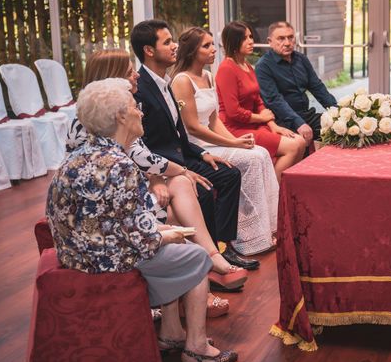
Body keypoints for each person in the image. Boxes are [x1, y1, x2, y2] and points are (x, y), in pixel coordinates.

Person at [47, 78, 238, 362]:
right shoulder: (121, 165)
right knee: (196, 256)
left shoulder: (76, 157)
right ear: (121, 116)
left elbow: (114, 221)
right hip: (104, 261)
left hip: (76, 254)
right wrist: (170, 235)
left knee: (180, 243)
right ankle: (196, 348)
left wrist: (165, 232)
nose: (141, 112)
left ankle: (172, 334)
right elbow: (142, 240)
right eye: (135, 107)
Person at [66, 49, 246, 311]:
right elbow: (136, 159)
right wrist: (177, 171)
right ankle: (196, 283)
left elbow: (140, 155)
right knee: (174, 208)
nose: (136, 74)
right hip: (107, 203)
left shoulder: (122, 110)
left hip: (131, 185)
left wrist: (158, 177)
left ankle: (206, 265)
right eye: (129, 71)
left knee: (181, 189)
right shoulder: (96, 119)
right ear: (111, 78)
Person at [131, 20, 260, 271]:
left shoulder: (164, 82)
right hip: (164, 164)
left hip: (182, 155)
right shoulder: (140, 89)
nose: (174, 46)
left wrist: (202, 154)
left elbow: (179, 134)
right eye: (167, 42)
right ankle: (209, 259)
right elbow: (140, 143)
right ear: (149, 50)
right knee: (203, 191)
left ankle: (224, 245)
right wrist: (158, 176)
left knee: (229, 173)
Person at [171, 27, 279, 255]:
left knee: (259, 153)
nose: (213, 50)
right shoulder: (182, 80)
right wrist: (232, 144)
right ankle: (245, 235)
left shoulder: (208, 75)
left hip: (213, 139)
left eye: (212, 44)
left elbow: (213, 119)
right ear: (191, 51)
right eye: (206, 46)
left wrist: (236, 141)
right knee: (250, 160)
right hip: (196, 146)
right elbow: (193, 127)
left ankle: (267, 228)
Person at [215, 21, 305, 183]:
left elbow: (258, 100)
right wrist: (262, 119)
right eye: (244, 38)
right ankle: (272, 197)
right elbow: (233, 112)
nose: (251, 41)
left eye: (250, 36)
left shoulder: (246, 65)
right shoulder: (226, 69)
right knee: (292, 147)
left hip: (254, 124)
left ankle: (284, 193)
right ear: (234, 42)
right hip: (235, 129)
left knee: (299, 141)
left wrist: (273, 125)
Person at [255, 21, 337, 148]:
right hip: (283, 120)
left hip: (306, 115)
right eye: (281, 39)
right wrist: (298, 123)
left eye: (290, 37)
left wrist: (338, 112)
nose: (287, 43)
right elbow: (274, 100)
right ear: (269, 41)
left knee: (340, 129)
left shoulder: (301, 59)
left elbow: (318, 88)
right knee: (302, 139)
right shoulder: (263, 66)